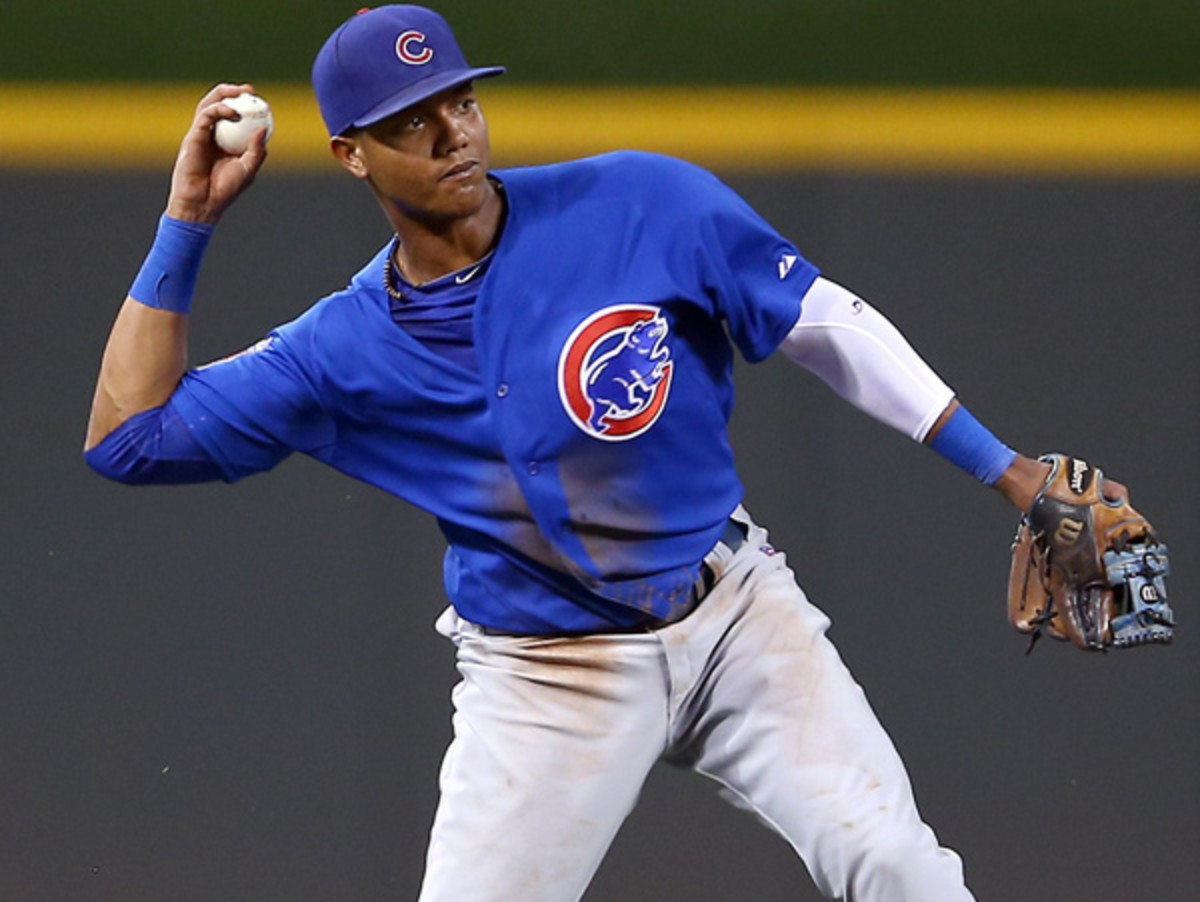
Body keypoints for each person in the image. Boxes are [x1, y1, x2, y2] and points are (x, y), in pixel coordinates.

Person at [84, 5, 1099, 900]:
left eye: (462, 101)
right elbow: (129, 438)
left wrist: (1010, 470)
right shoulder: (341, 349)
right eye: (412, 122)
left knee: (899, 867)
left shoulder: (639, 202)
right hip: (545, 680)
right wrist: (189, 220)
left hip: (736, 618)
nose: (453, 135)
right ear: (353, 154)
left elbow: (823, 323)